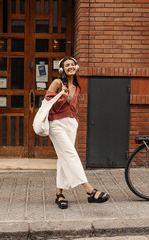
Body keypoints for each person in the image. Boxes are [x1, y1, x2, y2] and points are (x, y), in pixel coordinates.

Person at [44, 56, 110, 209]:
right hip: (57, 124)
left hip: (70, 124)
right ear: (62, 69)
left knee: (64, 157)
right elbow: (48, 102)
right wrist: (63, 96)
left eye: (72, 65)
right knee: (71, 154)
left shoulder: (77, 86)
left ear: (76, 67)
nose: (70, 67)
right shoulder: (57, 83)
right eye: (67, 65)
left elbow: (73, 107)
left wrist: (75, 120)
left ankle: (59, 194)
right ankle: (89, 190)